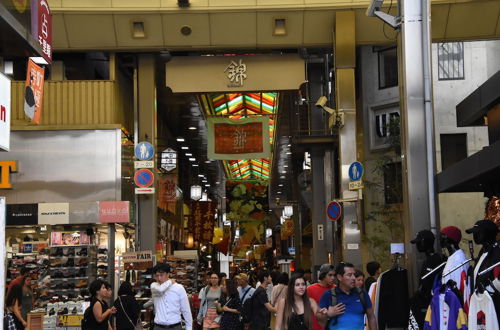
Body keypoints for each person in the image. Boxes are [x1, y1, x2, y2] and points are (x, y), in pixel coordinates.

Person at [319, 263, 377, 330]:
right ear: (339, 277)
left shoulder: (362, 293)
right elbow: (319, 318)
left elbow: (371, 317)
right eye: (349, 275)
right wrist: (328, 314)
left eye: (354, 275)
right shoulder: (329, 295)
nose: (353, 278)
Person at [150, 263, 192, 330]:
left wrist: (189, 327)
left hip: (175, 327)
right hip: (158, 327)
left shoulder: (179, 288)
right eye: (156, 276)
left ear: (168, 274)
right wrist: (170, 281)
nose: (159, 278)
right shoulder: (154, 286)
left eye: (161, 275)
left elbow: (185, 309)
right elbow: (161, 289)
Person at [306, 264, 335, 330]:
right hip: (315, 326)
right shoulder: (310, 289)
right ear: (323, 275)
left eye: (334, 275)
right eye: (330, 275)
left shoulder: (335, 289)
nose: (333, 278)